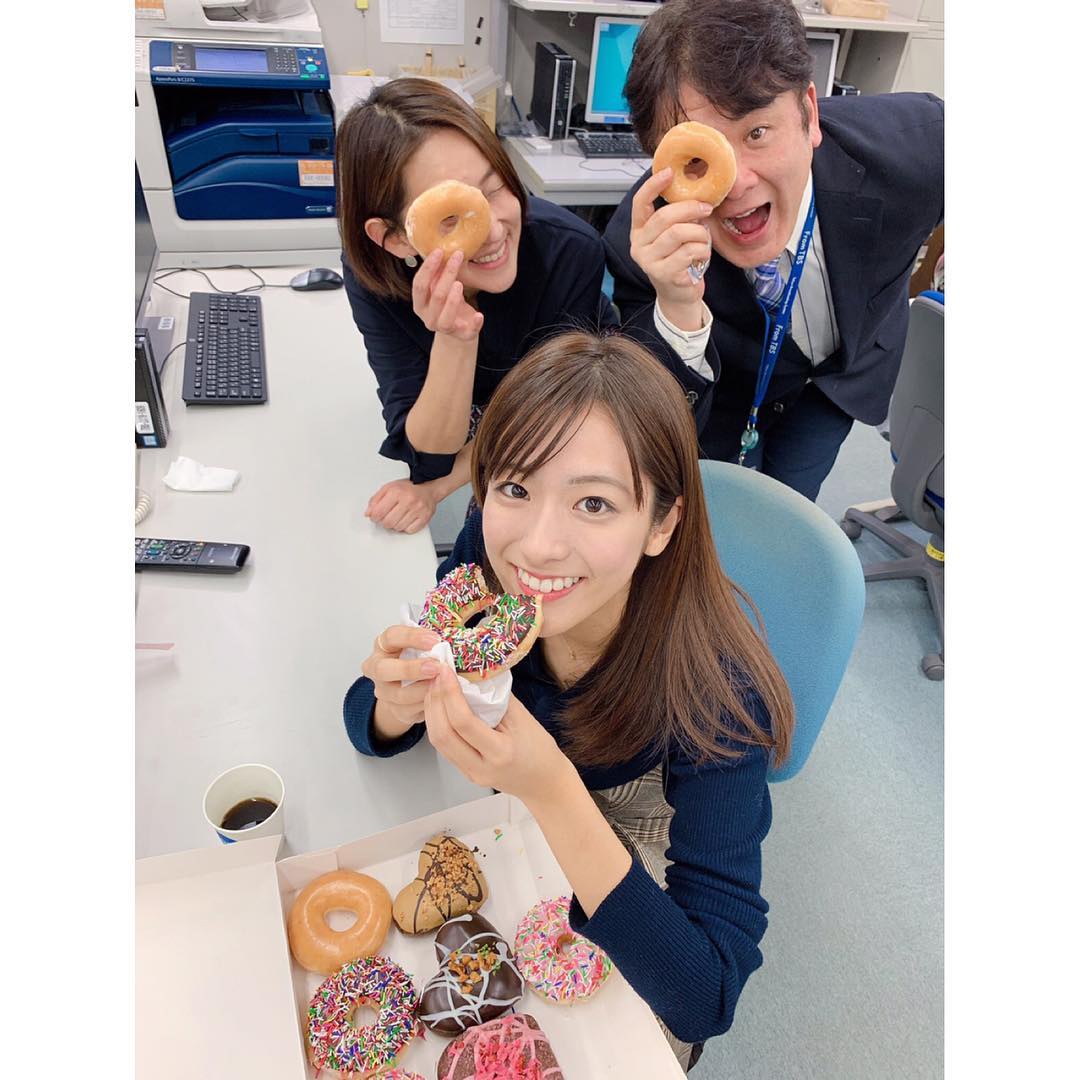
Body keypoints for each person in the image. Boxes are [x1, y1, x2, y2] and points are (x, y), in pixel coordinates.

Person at [343, 330, 795, 1070]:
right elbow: (364, 716)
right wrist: (396, 703)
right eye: (516, 488)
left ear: (662, 524)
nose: (538, 547)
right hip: (512, 826)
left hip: (632, 815)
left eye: (593, 502)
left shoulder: (720, 695)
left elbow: (707, 995)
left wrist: (549, 787)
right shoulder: (486, 566)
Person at [603, 0, 945, 501]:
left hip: (842, 377)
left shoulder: (916, 144)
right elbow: (653, 420)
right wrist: (676, 304)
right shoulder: (641, 243)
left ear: (809, 113)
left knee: (790, 507)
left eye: (757, 133)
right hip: (728, 392)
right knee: (723, 509)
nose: (736, 183)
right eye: (699, 156)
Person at [335, 79, 617, 534]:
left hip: (558, 419)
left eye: (494, 189)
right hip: (487, 424)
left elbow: (548, 416)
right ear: (395, 238)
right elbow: (427, 452)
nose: (492, 231)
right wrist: (455, 338)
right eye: (450, 218)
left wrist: (435, 490)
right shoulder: (376, 277)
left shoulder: (569, 253)